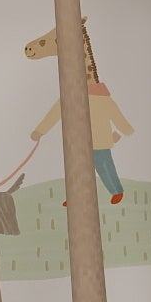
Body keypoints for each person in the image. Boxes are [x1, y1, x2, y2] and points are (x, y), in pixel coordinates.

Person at [26, 18, 131, 201]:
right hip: (78, 138)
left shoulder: (99, 96)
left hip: (99, 139)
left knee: (103, 163)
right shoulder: (72, 94)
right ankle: (76, 197)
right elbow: (56, 112)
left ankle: (116, 190)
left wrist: (124, 130)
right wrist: (40, 130)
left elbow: (114, 113)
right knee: (77, 167)